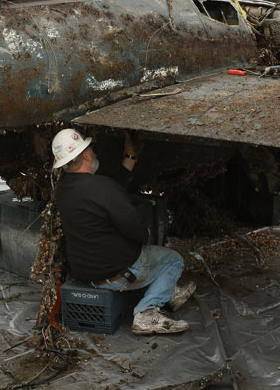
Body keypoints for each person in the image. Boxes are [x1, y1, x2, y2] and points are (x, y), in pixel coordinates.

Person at [52, 128, 196, 335]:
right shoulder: (102, 188)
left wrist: (130, 155)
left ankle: (166, 291)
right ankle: (146, 313)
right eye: (91, 148)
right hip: (117, 274)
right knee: (173, 260)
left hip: (86, 274)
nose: (94, 152)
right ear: (84, 154)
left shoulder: (64, 188)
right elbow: (136, 231)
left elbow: (109, 187)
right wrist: (145, 233)